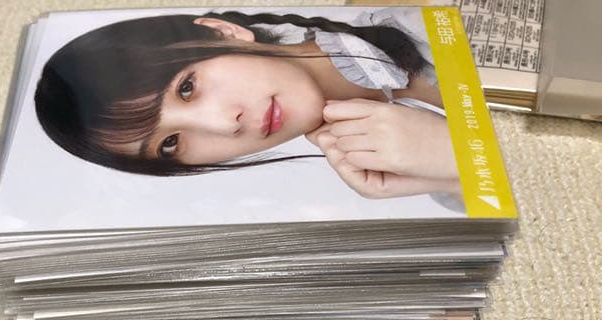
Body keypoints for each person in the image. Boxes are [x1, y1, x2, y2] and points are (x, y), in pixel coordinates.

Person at [34, 9, 461, 201]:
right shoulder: (404, 169)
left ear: (224, 32)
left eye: (187, 87)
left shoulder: (430, 17)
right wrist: (452, 176)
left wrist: (454, 154)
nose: (225, 124)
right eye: (170, 144)